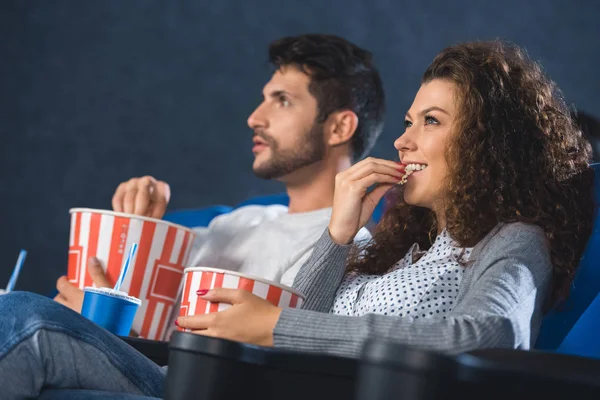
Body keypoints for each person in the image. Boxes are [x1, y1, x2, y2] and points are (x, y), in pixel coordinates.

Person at [0, 40, 592, 399]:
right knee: (33, 338)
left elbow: (490, 336)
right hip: (238, 383)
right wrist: (337, 237)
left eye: (430, 121)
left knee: (27, 322)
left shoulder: (513, 240)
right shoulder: (407, 241)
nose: (405, 141)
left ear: (492, 142)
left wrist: (277, 328)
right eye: (409, 121)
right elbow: (298, 329)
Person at [53, 33, 384, 314]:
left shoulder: (344, 251)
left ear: (339, 127)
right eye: (264, 99)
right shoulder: (241, 221)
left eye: (282, 100)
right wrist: (143, 220)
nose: (254, 118)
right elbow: (145, 311)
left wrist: (102, 327)